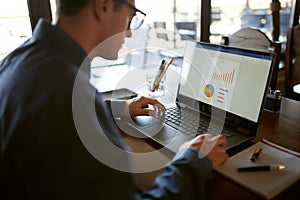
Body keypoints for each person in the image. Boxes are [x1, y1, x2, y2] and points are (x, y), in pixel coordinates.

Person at [0, 0, 228, 199]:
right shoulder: (66, 94)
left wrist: (112, 110)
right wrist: (192, 162)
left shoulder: (20, 60)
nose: (129, 32)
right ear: (104, 5)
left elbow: (50, 123)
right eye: (130, 16)